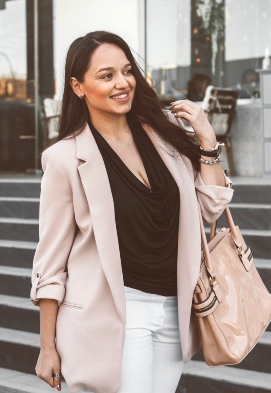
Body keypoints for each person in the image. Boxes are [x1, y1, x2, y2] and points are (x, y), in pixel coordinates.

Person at [30, 31, 233, 393]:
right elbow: (50, 263)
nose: (123, 83)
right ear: (78, 86)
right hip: (115, 312)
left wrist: (207, 139)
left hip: (175, 308)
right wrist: (48, 347)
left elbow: (210, 205)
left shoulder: (163, 134)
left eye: (127, 71)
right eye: (106, 76)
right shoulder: (64, 160)